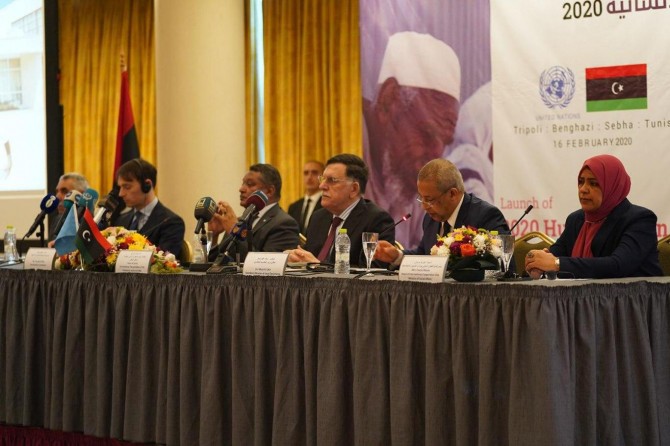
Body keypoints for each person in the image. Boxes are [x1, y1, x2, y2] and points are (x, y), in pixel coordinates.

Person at [363, 31, 461, 249]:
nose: (435, 156)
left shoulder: (413, 178)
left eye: (444, 142)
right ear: (388, 100)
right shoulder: (348, 140)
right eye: (426, 133)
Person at [524, 154, 662, 279]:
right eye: (581, 182)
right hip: (583, 297)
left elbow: (618, 265)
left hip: (635, 297)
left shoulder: (639, 220)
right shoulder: (576, 219)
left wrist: (556, 263)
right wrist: (538, 263)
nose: (583, 189)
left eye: (593, 183)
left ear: (613, 186)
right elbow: (554, 255)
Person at [375, 158, 509, 266]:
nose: (424, 207)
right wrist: (397, 256)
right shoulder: (430, 219)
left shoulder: (486, 216)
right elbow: (424, 254)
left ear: (452, 194)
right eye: (421, 198)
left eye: (429, 200)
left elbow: (504, 266)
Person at [286, 153, 395, 267]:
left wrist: (319, 266)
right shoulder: (318, 217)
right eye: (323, 179)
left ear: (353, 189)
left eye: (332, 180)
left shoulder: (376, 219)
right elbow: (309, 257)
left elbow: (372, 271)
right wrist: (295, 257)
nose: (322, 186)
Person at [207, 163, 299, 262]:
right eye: (243, 183)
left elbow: (267, 266)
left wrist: (235, 231)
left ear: (269, 191)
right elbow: (217, 263)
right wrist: (213, 236)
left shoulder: (285, 224)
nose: (241, 189)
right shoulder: (240, 220)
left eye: (250, 184)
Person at [110, 158, 185, 257]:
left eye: (127, 187)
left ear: (147, 185)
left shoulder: (171, 223)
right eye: (120, 187)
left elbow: (164, 261)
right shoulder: (121, 220)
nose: (121, 194)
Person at [49, 172, 89, 239]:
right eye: (57, 191)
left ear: (82, 195)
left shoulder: (92, 222)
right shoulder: (57, 220)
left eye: (64, 191)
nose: (57, 197)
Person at [287, 160, 324, 233]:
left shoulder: (328, 205)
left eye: (314, 173)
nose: (309, 177)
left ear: (323, 177)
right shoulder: (293, 207)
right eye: (306, 173)